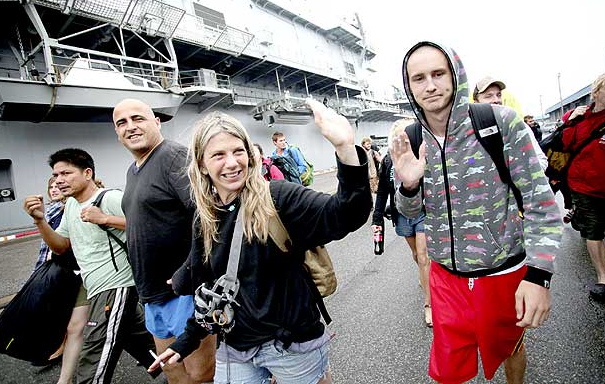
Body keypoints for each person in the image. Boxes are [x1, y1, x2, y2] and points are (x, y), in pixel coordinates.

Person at [149, 99, 372, 384]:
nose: (232, 163)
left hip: (291, 346)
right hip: (236, 348)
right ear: (202, 165)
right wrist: (186, 341)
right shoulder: (204, 219)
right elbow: (208, 290)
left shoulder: (277, 198)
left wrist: (345, 149)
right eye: (218, 155)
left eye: (238, 151)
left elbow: (346, 215)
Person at [392, 42, 562, 384]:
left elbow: (540, 202)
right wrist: (408, 186)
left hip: (502, 272)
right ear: (408, 86)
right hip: (445, 277)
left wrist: (539, 275)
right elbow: (408, 210)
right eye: (419, 78)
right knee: (448, 369)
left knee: (510, 348)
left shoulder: (499, 122)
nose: (430, 86)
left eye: (438, 74)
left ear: (455, 76)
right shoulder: (411, 138)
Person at [23, 148, 158, 384]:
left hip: (116, 285)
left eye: (66, 173)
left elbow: (150, 225)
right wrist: (40, 220)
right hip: (94, 286)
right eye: (55, 175)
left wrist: (105, 219)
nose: (59, 180)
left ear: (87, 173)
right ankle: (177, 373)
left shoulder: (111, 198)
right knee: (141, 341)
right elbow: (61, 246)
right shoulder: (71, 205)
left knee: (94, 355)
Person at [112, 99, 217, 383]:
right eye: (122, 123)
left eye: (138, 118)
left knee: (200, 374)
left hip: (182, 291)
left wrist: (190, 268)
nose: (130, 127)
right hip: (152, 292)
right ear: (117, 133)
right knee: (172, 370)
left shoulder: (173, 157)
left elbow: (208, 216)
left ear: (157, 123)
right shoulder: (133, 169)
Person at [371, 119, 431, 327]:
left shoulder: (421, 155)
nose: (403, 138)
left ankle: (429, 304)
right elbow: (382, 191)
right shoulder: (388, 161)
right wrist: (377, 218)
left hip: (424, 211)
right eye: (399, 135)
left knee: (424, 256)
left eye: (407, 134)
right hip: (401, 214)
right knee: (416, 255)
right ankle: (425, 277)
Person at [31, 176, 90, 384]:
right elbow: (49, 248)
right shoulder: (50, 211)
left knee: (77, 326)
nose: (55, 189)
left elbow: (65, 245)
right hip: (62, 273)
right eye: (51, 186)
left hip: (82, 273)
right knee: (75, 325)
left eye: (58, 185)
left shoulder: (73, 208)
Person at [561, 72, 605, 302]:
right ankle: (603, 278)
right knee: (593, 231)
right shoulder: (580, 117)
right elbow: (564, 143)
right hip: (584, 187)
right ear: (596, 92)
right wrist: (570, 120)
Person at [474, 76, 548, 171]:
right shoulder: (470, 131)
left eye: (499, 95)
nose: (496, 100)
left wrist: (520, 171)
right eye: (488, 96)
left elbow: (541, 161)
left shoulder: (518, 126)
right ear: (476, 102)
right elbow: (468, 162)